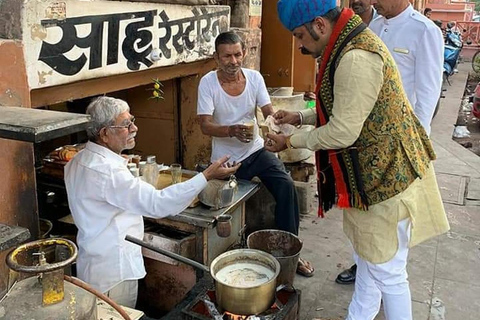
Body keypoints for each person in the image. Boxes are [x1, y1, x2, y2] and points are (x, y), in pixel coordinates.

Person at [270, 1, 450, 319]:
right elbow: (346, 106)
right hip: (375, 176)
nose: (299, 46)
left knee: (389, 275)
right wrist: (300, 116)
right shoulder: (350, 40)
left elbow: (341, 131)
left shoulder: (354, 55)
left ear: (320, 25)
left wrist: (289, 141)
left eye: (300, 36)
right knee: (371, 265)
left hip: (387, 180)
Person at [64, 96, 240, 308]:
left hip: (92, 265)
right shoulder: (108, 172)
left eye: (132, 120)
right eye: (126, 125)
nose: (134, 128)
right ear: (104, 134)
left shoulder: (76, 162)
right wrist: (206, 176)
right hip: (114, 272)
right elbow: (158, 204)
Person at [336, 0, 445, 285]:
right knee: (365, 216)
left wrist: (416, 145)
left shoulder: (424, 31)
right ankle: (364, 269)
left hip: (399, 147)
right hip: (365, 142)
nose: (373, 1)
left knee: (393, 226)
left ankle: (389, 279)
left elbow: (428, 94)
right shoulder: (373, 26)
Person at [197, 31, 314, 277]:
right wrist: (231, 130)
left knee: (286, 187)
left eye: (238, 54)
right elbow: (205, 125)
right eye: (227, 56)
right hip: (225, 159)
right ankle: (226, 257)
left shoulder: (254, 78)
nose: (233, 61)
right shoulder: (208, 82)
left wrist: (276, 123)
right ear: (217, 57)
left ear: (245, 53)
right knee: (219, 205)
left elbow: (267, 111)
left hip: (256, 151)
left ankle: (291, 250)